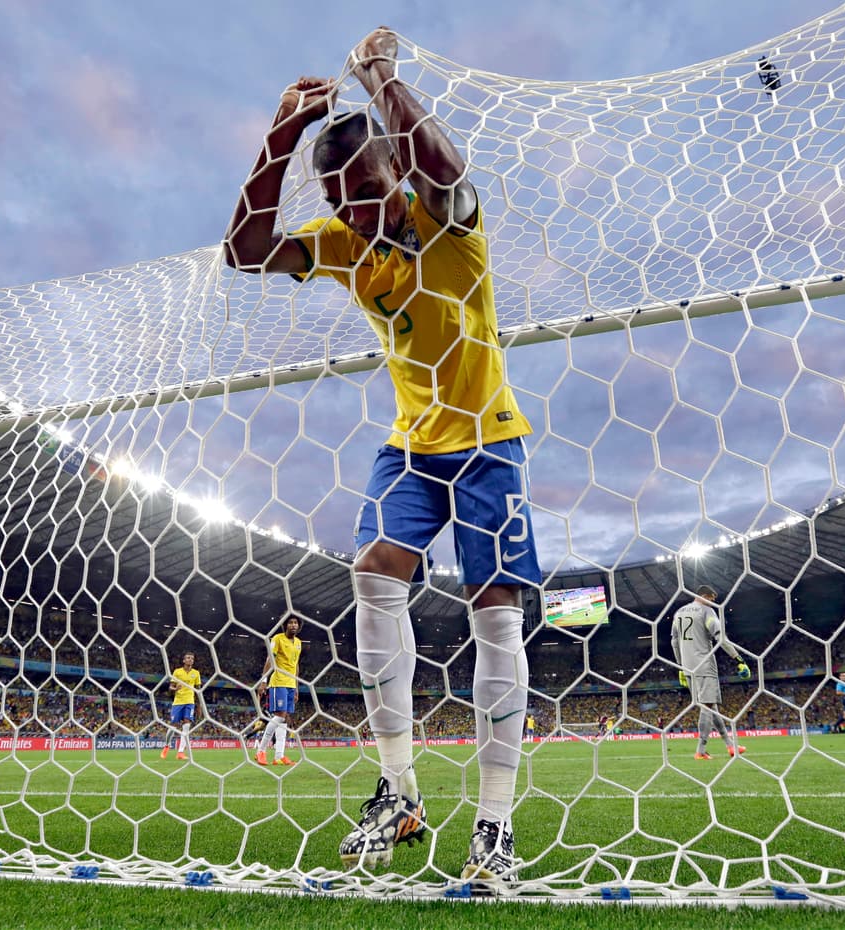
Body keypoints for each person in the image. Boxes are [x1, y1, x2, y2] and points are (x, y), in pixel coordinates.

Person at [223, 27, 540, 886]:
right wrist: (281, 134)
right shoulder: (343, 241)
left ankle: (495, 824)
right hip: (410, 443)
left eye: (365, 191)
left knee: (494, 609)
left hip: (487, 437)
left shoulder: (446, 218)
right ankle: (398, 792)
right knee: (372, 571)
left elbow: (447, 169)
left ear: (394, 169)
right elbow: (245, 250)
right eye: (341, 199)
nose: (356, 213)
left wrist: (380, 81)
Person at [670, 585, 751, 760]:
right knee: (707, 706)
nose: (713, 602)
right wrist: (738, 659)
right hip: (704, 665)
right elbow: (720, 637)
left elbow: (674, 642)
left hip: (688, 667)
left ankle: (730, 745)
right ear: (705, 596)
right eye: (712, 598)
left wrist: (680, 666)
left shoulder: (679, 612)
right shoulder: (706, 611)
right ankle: (700, 751)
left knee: (710, 707)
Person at [254, 616, 303, 766]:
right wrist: (264, 680)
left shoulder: (298, 643)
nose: (293, 625)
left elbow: (296, 666)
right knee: (280, 716)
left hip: (290, 684)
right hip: (278, 682)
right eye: (290, 622)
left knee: (284, 718)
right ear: (285, 625)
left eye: (295, 623)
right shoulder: (277, 639)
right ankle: (261, 751)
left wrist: (296, 687)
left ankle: (279, 756)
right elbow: (270, 659)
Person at [161, 652, 202, 761]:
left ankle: (180, 752)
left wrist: (199, 706)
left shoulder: (196, 673)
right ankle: (167, 746)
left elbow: (198, 690)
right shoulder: (177, 672)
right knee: (173, 726)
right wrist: (175, 689)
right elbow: (170, 687)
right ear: (184, 660)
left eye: (192, 658)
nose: (190, 660)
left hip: (190, 702)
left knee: (186, 725)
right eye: (188, 658)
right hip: (178, 702)